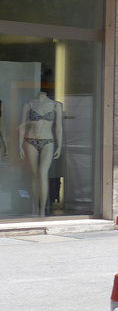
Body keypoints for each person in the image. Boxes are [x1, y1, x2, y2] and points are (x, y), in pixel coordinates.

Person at [17, 88, 63, 216]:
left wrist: (59, 146)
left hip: (48, 141)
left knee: (43, 173)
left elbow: (58, 127)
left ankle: (42, 209)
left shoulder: (56, 105)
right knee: (35, 175)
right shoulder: (29, 104)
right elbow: (22, 125)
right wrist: (19, 145)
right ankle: (35, 207)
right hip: (30, 141)